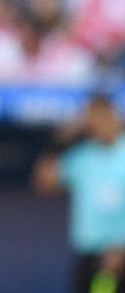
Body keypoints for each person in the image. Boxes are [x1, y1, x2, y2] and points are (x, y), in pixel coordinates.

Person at [34, 93, 125, 293]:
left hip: (120, 256)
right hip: (90, 257)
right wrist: (61, 140)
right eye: (90, 118)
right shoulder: (82, 156)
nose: (96, 123)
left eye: (100, 116)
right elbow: (43, 182)